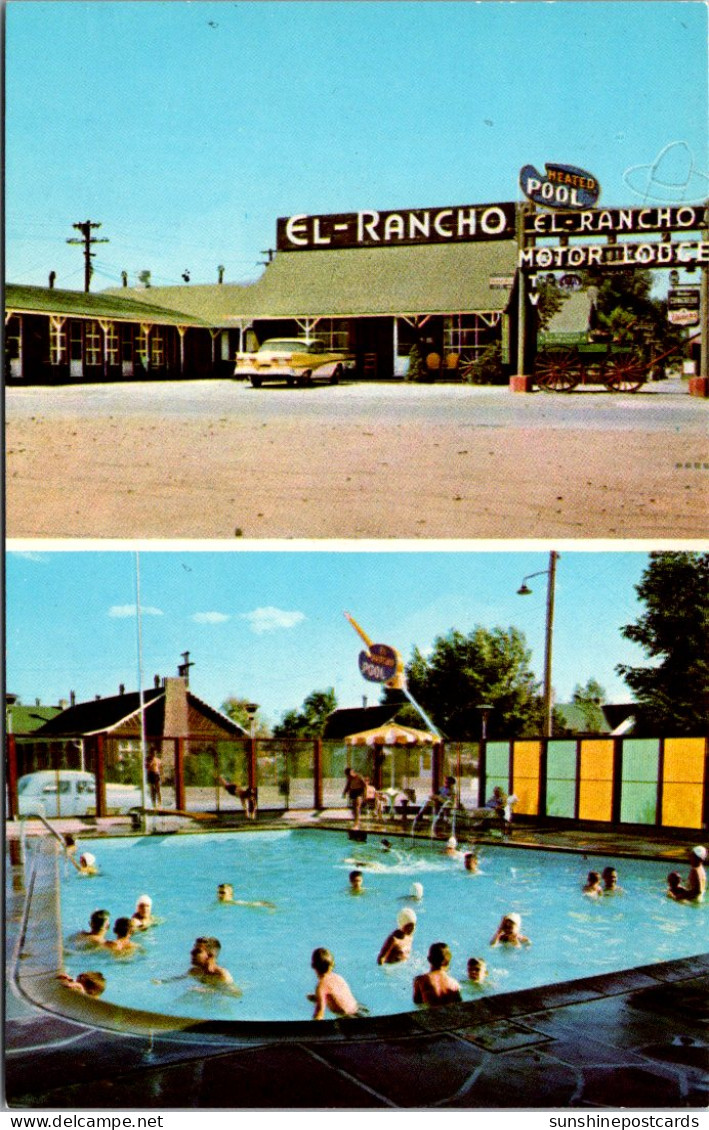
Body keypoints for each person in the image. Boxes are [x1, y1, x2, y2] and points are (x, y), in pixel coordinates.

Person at [309, 947, 362, 1020]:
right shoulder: (338, 978)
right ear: (332, 965)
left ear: (313, 966)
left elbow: (320, 1013)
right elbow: (338, 996)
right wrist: (318, 998)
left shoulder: (321, 986)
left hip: (348, 1019)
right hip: (360, 1011)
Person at [413, 942, 462, 1006]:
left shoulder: (420, 980)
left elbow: (418, 1005)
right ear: (448, 961)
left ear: (429, 959)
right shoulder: (455, 984)